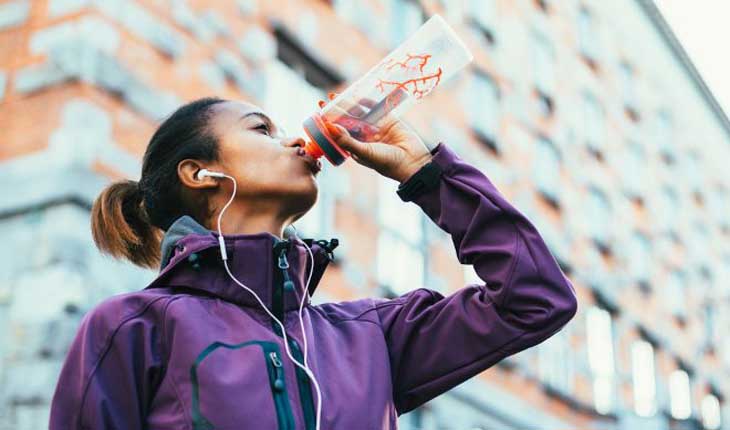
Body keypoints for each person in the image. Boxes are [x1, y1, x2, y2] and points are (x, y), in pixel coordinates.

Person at [49, 96, 577, 429]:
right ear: (201, 173)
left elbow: (534, 299)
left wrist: (425, 174)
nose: (296, 142)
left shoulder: (371, 336)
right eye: (263, 130)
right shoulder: (133, 327)